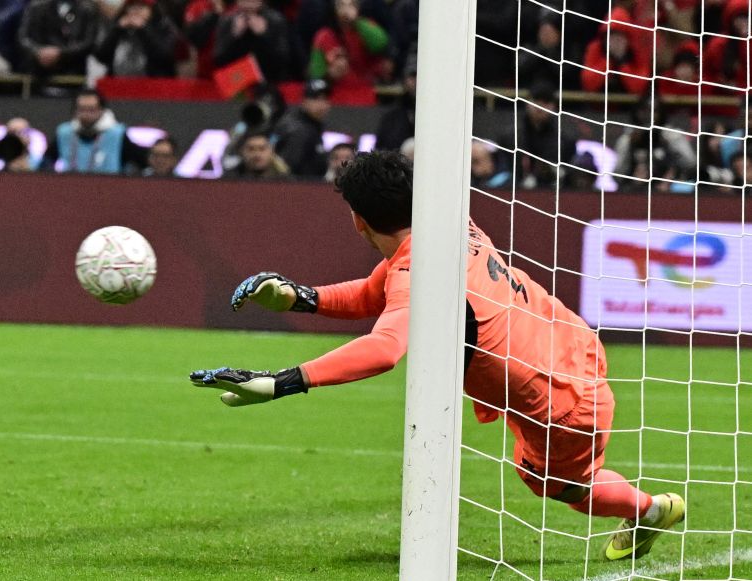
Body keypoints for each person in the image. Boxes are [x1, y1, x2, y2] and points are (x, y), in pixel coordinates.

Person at [190, 150, 686, 561]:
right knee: (534, 465)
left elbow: (385, 349)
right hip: (567, 344)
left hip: (562, 404)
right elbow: (372, 295)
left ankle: (650, 509)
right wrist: (299, 296)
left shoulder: (416, 271)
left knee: (559, 487)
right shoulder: (449, 218)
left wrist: (282, 382)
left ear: (358, 221)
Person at [40, 88, 148, 174]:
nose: (86, 114)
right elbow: (46, 162)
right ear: (75, 111)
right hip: (71, 190)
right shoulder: (65, 133)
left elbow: (142, 161)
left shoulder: (117, 135)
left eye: (91, 110)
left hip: (109, 192)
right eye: (82, 109)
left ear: (102, 110)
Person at [308, 0, 390, 89]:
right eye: (341, 5)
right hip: (335, 95)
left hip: (364, 91)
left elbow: (381, 44)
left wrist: (356, 21)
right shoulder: (324, 36)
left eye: (352, 4)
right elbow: (315, 82)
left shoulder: (366, 27)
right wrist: (329, 77)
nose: (346, 9)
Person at [94, 0, 180, 78]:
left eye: (141, 7)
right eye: (132, 7)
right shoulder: (117, 25)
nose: (136, 11)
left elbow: (165, 56)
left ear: (152, 9)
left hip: (153, 85)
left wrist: (143, 29)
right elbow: (101, 56)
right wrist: (117, 31)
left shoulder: (163, 26)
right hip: (118, 84)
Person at [17, 0, 101, 77]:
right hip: (38, 73)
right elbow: (24, 38)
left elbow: (89, 41)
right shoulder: (36, 7)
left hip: (74, 72)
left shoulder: (87, 9)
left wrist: (61, 53)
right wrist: (38, 51)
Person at [213, 0, 291, 83]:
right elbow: (218, 60)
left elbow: (284, 61)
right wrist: (234, 35)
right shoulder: (227, 20)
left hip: (269, 82)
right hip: (235, 82)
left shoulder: (277, 20)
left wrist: (264, 34)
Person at [273, 78, 330, 177]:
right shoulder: (298, 130)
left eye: (325, 99)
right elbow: (287, 169)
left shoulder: (313, 126)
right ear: (304, 101)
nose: (322, 104)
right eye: (315, 99)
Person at [225, 129, 290, 179]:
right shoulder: (228, 181)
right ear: (241, 152)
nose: (257, 154)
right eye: (251, 149)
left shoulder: (286, 183)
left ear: (272, 151)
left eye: (262, 149)